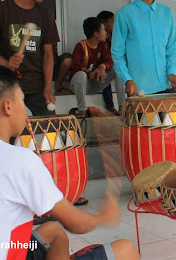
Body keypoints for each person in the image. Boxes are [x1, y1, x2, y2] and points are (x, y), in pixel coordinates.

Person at [0, 65, 140, 260]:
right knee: (126, 250)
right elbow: (77, 224)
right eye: (22, 102)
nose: (25, 111)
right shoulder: (20, 161)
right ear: (7, 107)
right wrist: (103, 217)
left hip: (8, 244)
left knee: (52, 230)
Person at [112, 0, 176, 96]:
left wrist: (172, 73)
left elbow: (173, 48)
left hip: (166, 86)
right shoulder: (124, 14)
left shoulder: (167, 13)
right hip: (139, 89)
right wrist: (127, 79)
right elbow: (117, 53)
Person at [0, 0, 59, 115]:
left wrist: (48, 88)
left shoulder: (45, 14)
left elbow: (48, 55)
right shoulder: (3, 10)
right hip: (6, 85)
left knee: (50, 132)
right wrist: (6, 63)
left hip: (36, 87)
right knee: (9, 134)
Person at [69, 17, 126, 117]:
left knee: (117, 69)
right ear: (96, 34)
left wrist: (102, 68)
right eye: (103, 30)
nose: (106, 32)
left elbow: (110, 60)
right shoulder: (80, 47)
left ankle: (122, 106)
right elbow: (75, 70)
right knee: (81, 75)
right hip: (81, 85)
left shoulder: (103, 45)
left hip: (96, 83)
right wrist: (92, 75)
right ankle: (82, 110)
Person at [97, 10, 120, 115]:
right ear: (104, 24)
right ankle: (110, 105)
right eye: (112, 21)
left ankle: (127, 104)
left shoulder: (117, 37)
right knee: (105, 77)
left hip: (115, 65)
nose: (115, 23)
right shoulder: (99, 40)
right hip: (103, 66)